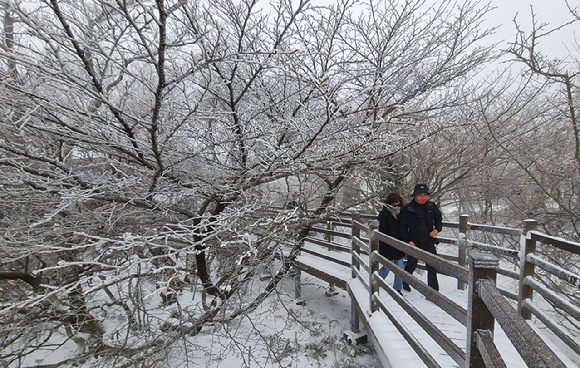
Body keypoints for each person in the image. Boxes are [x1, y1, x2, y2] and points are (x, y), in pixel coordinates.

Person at [399, 184, 442, 292]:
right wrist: (408, 240)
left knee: (432, 265)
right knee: (412, 264)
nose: (423, 197)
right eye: (420, 195)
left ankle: (433, 291)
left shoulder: (431, 206)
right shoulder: (408, 208)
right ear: (415, 196)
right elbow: (402, 227)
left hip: (428, 241)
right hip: (414, 241)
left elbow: (438, 218)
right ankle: (405, 280)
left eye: (425, 195)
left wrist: (437, 229)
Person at [377, 193, 406, 296]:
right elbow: (381, 230)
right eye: (394, 205)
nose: (397, 207)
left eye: (399, 205)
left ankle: (397, 289)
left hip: (399, 246)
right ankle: (376, 281)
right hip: (387, 246)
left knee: (399, 267)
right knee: (387, 267)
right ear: (389, 204)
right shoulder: (384, 214)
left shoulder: (402, 214)